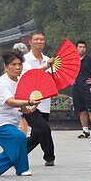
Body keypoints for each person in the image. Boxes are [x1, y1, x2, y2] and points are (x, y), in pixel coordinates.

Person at [0, 50, 39, 176]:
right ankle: (21, 169)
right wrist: (29, 102)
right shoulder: (1, 82)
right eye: (13, 64)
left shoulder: (21, 81)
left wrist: (30, 108)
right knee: (20, 138)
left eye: (19, 64)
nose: (17, 67)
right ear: (5, 66)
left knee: (16, 147)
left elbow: (21, 105)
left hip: (11, 122)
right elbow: (10, 102)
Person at [22, 31, 55, 166]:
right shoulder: (24, 59)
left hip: (44, 101)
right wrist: (47, 66)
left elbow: (52, 78)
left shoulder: (48, 59)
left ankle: (15, 153)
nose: (39, 42)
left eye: (41, 39)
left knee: (37, 134)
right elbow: (31, 75)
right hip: (29, 101)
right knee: (43, 129)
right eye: (36, 39)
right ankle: (50, 156)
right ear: (30, 42)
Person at [73, 40, 91, 138]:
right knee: (81, 110)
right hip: (76, 87)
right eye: (80, 47)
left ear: (86, 48)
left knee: (90, 110)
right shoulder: (73, 60)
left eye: (83, 47)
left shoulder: (90, 59)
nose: (82, 49)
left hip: (87, 87)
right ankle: (85, 131)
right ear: (76, 48)